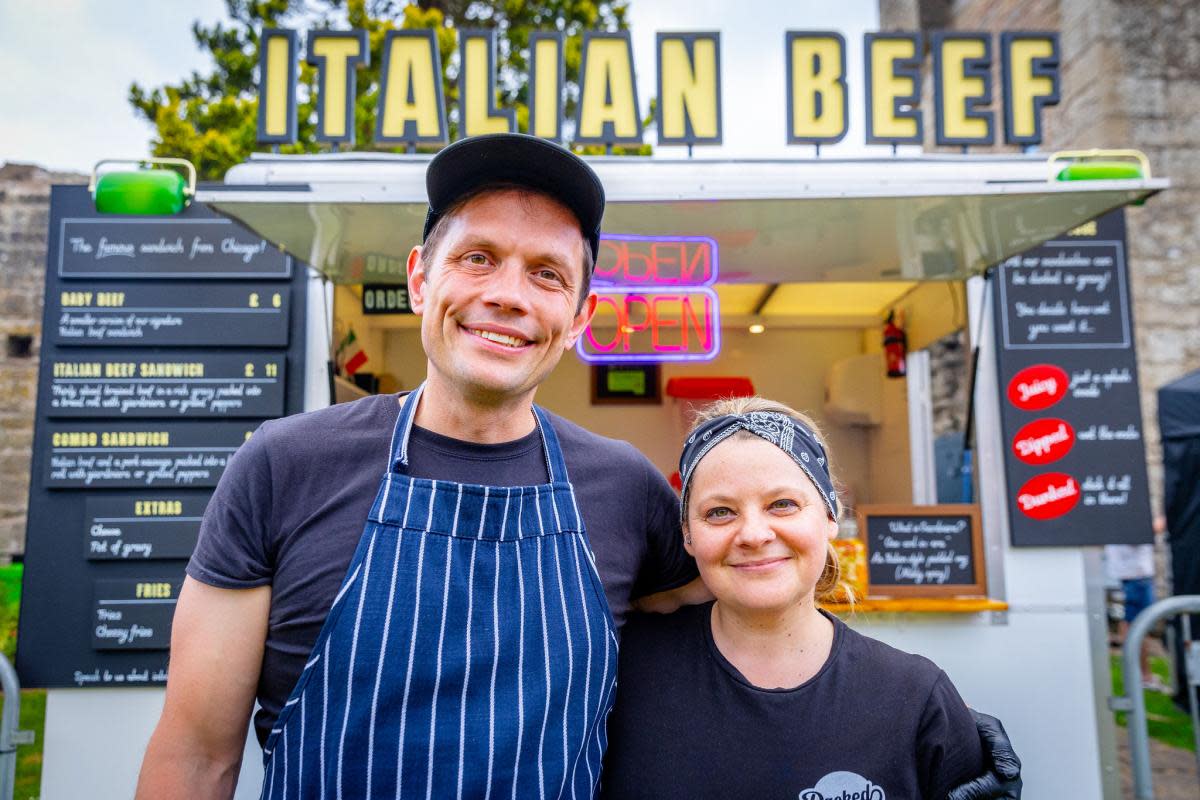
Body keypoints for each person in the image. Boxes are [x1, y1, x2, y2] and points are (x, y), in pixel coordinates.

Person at [136, 133, 1018, 799]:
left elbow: (753, 594)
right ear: (418, 278)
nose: (509, 295)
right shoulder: (283, 465)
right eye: (477, 257)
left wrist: (912, 721)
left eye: (548, 274)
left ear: (581, 314)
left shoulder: (625, 489)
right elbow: (197, 750)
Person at [603, 397, 1014, 800]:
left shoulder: (916, 697)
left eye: (782, 505)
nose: (753, 534)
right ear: (688, 535)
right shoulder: (617, 672)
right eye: (720, 512)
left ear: (831, 515)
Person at [1106, 534, 1163, 691]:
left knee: (1133, 624)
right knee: (1136, 625)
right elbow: (1135, 535)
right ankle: (1142, 676)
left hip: (1134, 573)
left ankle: (1141, 674)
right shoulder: (1126, 513)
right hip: (1135, 574)